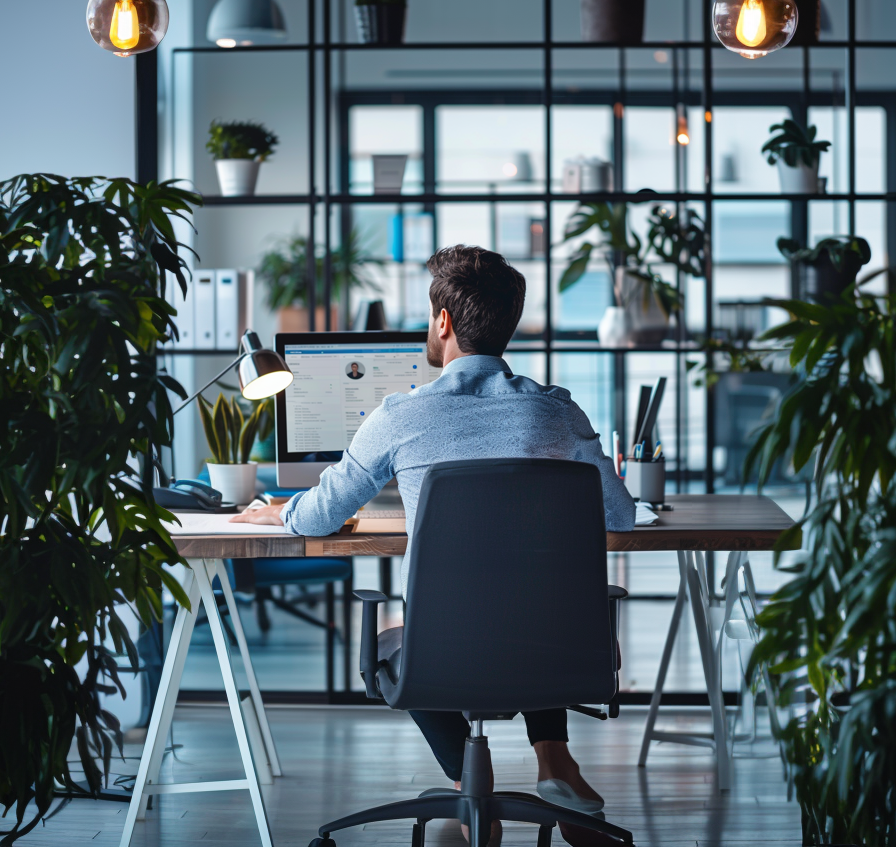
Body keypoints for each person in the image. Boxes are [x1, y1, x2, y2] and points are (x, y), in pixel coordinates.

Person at [233, 244, 636, 847]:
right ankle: (555, 760)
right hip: (561, 651)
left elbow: (317, 517)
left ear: (443, 322)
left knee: (410, 626)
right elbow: (619, 516)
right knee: (525, 603)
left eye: (429, 314)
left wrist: (273, 513)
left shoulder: (399, 416)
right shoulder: (558, 411)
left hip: (441, 656)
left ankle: (474, 789)